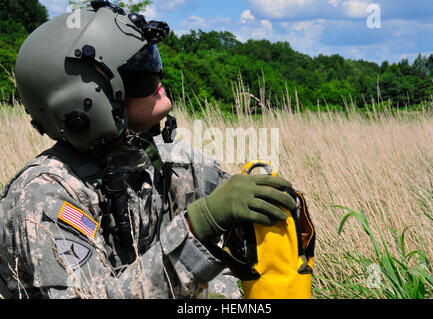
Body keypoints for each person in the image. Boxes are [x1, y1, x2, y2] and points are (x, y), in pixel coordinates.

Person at [0, 2, 296, 299]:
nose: (158, 81)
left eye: (152, 62)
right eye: (141, 76)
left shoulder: (163, 162)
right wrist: (199, 224)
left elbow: (227, 214)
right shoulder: (44, 196)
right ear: (86, 103)